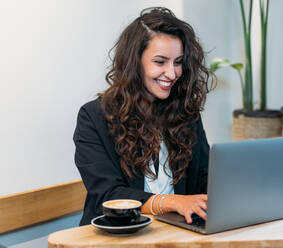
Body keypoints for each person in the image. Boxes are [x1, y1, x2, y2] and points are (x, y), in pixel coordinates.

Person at [73, 7, 213, 226]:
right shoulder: (94, 117)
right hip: (116, 235)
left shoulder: (186, 114)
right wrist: (171, 202)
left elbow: (204, 180)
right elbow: (108, 195)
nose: (172, 73)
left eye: (178, 62)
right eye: (160, 62)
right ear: (134, 62)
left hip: (176, 233)